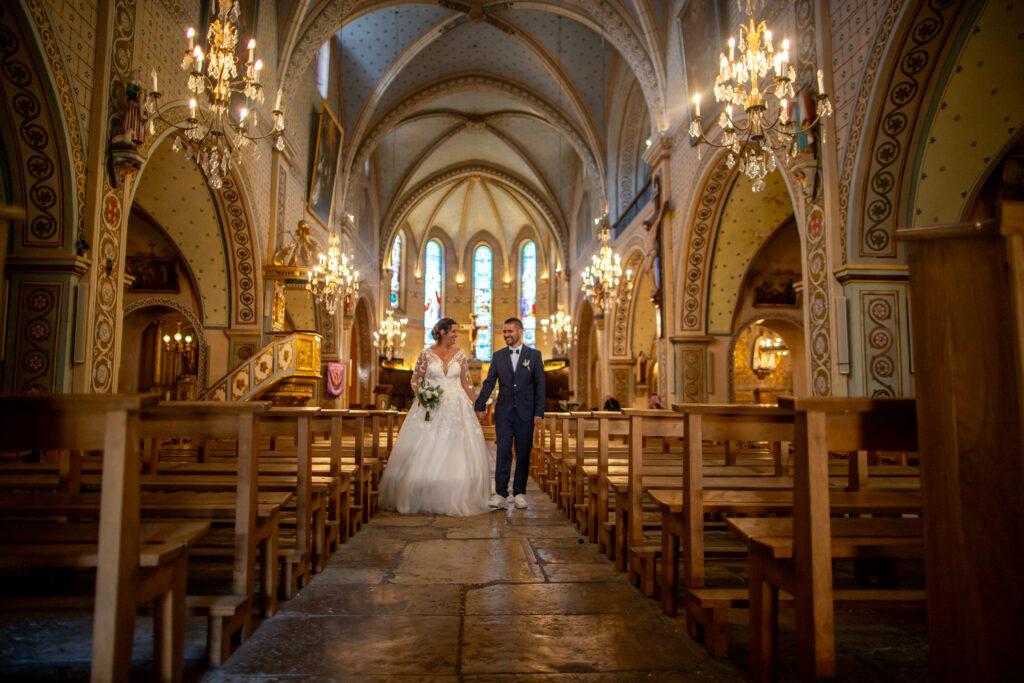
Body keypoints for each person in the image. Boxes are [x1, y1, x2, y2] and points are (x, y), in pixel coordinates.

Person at [378, 318, 491, 516]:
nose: (456, 334)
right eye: (453, 331)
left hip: (457, 408)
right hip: (431, 406)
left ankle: (456, 496)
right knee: (427, 445)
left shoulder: (460, 354)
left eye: (457, 331)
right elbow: (415, 380)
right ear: (442, 332)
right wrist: (422, 395)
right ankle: (422, 493)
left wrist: (478, 405)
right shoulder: (426, 354)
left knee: (456, 448)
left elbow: (467, 384)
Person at [475, 317, 546, 510]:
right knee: (503, 453)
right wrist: (479, 405)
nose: (506, 335)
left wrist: (539, 412)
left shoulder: (534, 356)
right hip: (504, 413)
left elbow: (540, 386)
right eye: (504, 332)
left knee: (523, 453)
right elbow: (489, 382)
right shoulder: (498, 356)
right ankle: (500, 494)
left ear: (520, 332)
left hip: (526, 413)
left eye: (510, 331)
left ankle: (520, 492)